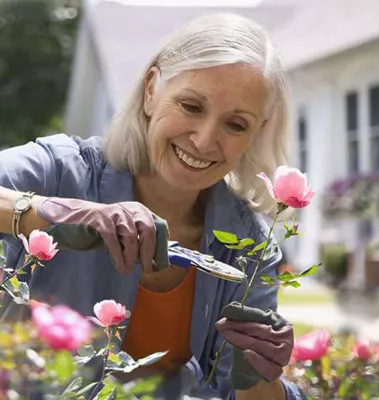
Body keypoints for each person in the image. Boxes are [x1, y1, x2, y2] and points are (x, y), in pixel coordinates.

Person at [0, 13, 306, 400]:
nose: (205, 140)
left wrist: (261, 374)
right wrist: (45, 213)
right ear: (150, 90)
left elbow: (245, 393)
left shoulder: (248, 246)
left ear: (255, 133)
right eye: (191, 106)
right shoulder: (60, 171)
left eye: (236, 125)